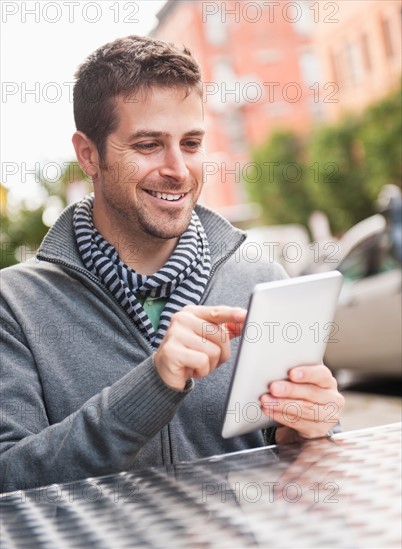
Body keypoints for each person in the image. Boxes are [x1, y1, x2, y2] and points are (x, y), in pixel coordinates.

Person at [0, 35, 344, 492]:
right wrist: (152, 385)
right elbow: (10, 478)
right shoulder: (15, 306)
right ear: (89, 155)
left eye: (192, 142)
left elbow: (307, 475)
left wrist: (307, 433)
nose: (179, 169)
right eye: (148, 145)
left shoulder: (261, 281)